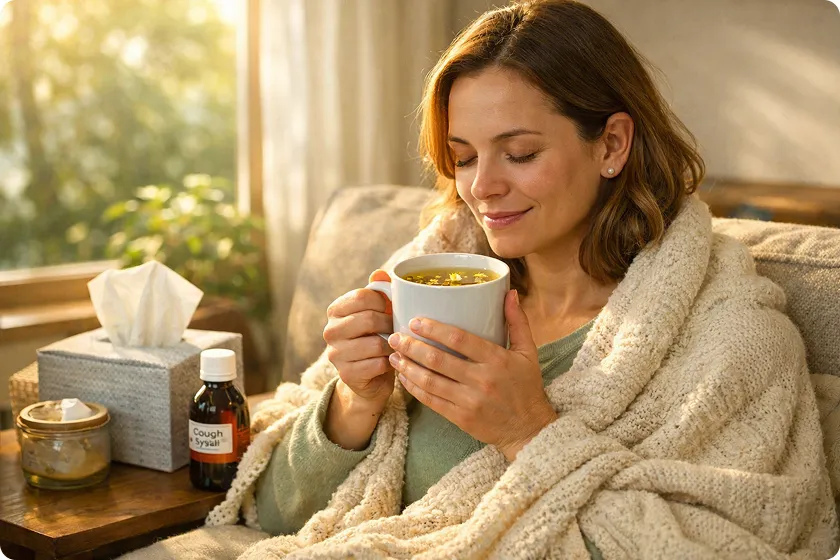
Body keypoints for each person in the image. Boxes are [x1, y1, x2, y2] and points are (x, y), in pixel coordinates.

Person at [124, 1, 839, 558]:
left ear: (613, 144)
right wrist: (353, 402)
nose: (483, 188)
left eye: (519, 152)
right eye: (463, 157)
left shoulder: (732, 342)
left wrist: (530, 433)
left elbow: (733, 546)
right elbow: (274, 515)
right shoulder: (426, 283)